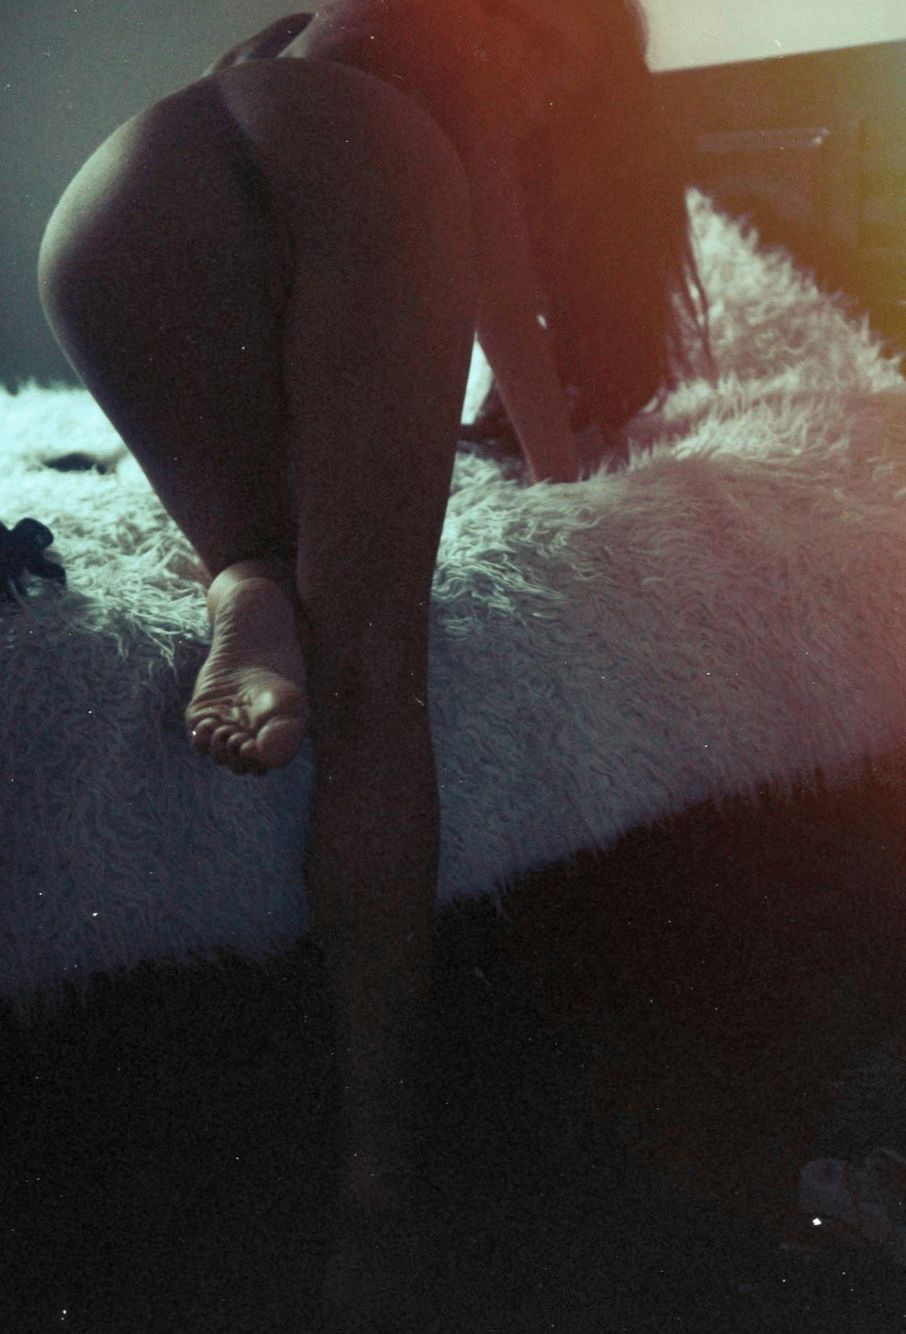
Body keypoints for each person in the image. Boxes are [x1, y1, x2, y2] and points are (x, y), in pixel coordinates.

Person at [36, 0, 708, 1322]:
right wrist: (561, 468)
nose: (550, 95)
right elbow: (499, 284)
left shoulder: (298, 39)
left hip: (116, 199)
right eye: (560, 59)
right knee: (370, 675)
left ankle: (244, 578)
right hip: (333, 171)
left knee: (257, 535)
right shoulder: (443, 63)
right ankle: (376, 1181)